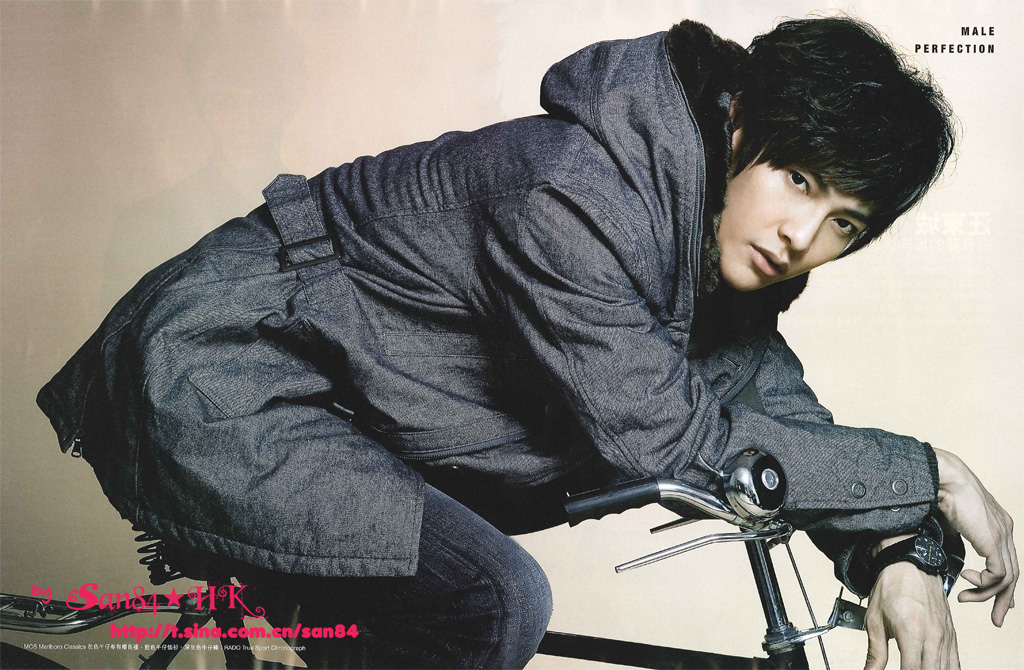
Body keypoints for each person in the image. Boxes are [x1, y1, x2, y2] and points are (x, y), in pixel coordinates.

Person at [36, 15, 1015, 669]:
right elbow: (672, 439)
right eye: (798, 179)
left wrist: (895, 552)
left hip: (354, 412)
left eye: (844, 222)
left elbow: (773, 406)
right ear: (739, 120)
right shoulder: (581, 195)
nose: (803, 235)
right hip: (233, 370)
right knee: (492, 602)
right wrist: (928, 471)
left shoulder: (709, 246)